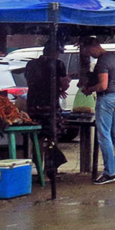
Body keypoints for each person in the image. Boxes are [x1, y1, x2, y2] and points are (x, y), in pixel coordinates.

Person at [81, 37, 115, 184]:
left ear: (94, 46)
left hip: (106, 99)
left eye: (89, 51)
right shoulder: (113, 57)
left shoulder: (102, 62)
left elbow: (103, 85)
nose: (89, 55)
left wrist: (89, 90)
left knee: (104, 135)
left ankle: (109, 173)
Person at [23, 43, 70, 177]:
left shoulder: (31, 64)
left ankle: (37, 171)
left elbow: (29, 83)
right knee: (51, 139)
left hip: (33, 106)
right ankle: (49, 172)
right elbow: (63, 85)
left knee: (37, 139)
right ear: (55, 52)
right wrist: (65, 83)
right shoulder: (58, 64)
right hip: (50, 106)